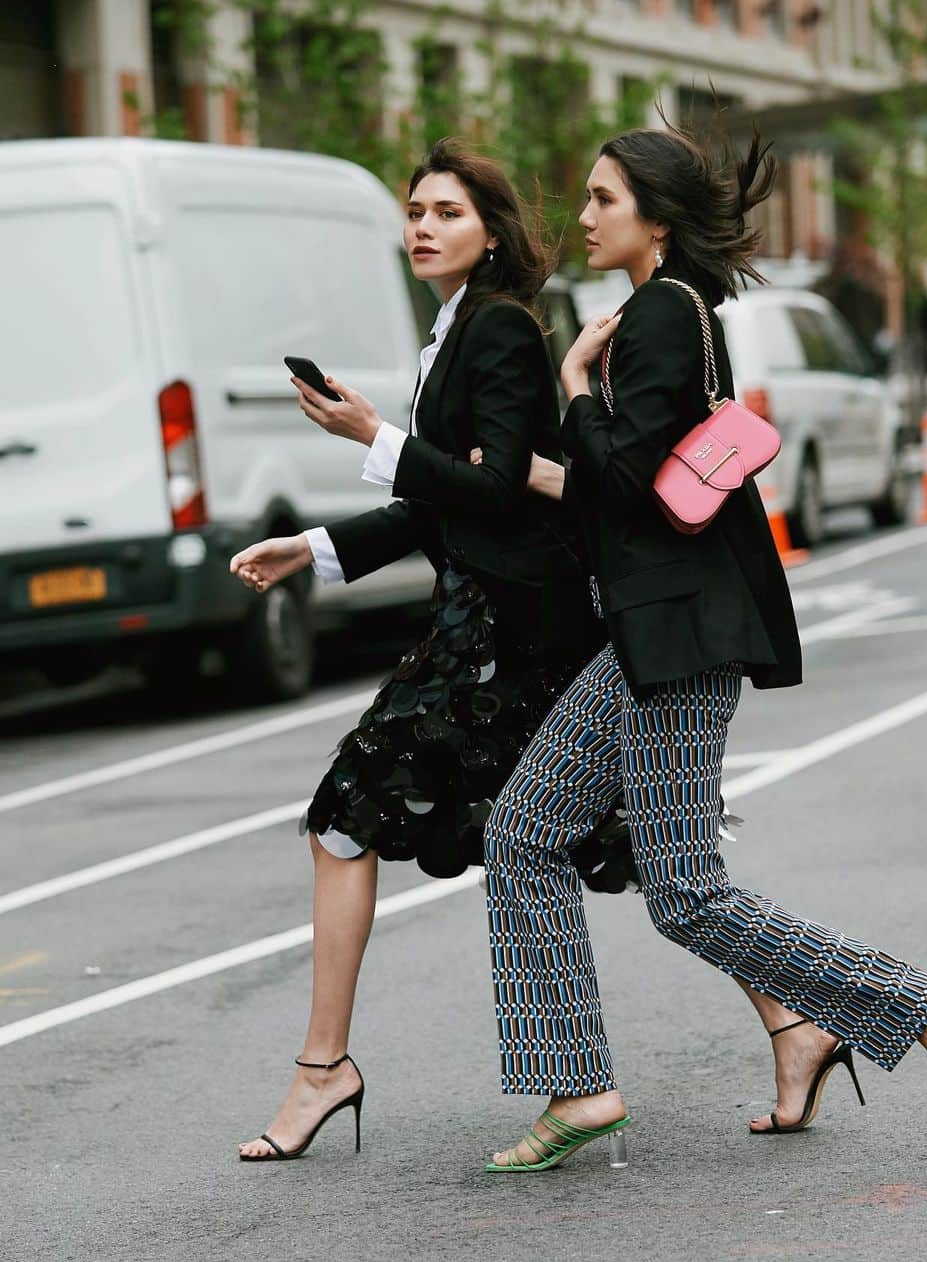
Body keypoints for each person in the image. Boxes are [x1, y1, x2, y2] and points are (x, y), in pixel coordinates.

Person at [479, 124, 927, 1173]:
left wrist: (578, 391)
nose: (583, 217)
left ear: (656, 218)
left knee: (685, 891)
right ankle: (579, 1087)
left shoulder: (659, 320)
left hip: (678, 636)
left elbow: (630, 478)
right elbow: (613, 497)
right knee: (523, 834)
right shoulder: (663, 314)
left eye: (601, 199)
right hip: (650, 630)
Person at [229, 139, 633, 1162]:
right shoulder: (456, 334)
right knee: (632, 843)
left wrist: (373, 435)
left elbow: (500, 489)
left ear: (489, 234)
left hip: (509, 634)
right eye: (414, 210)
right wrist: (313, 546)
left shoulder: (497, 332)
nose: (422, 226)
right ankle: (794, 1025)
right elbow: (436, 497)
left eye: (447, 211)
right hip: (499, 625)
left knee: (344, 816)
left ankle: (325, 1069)